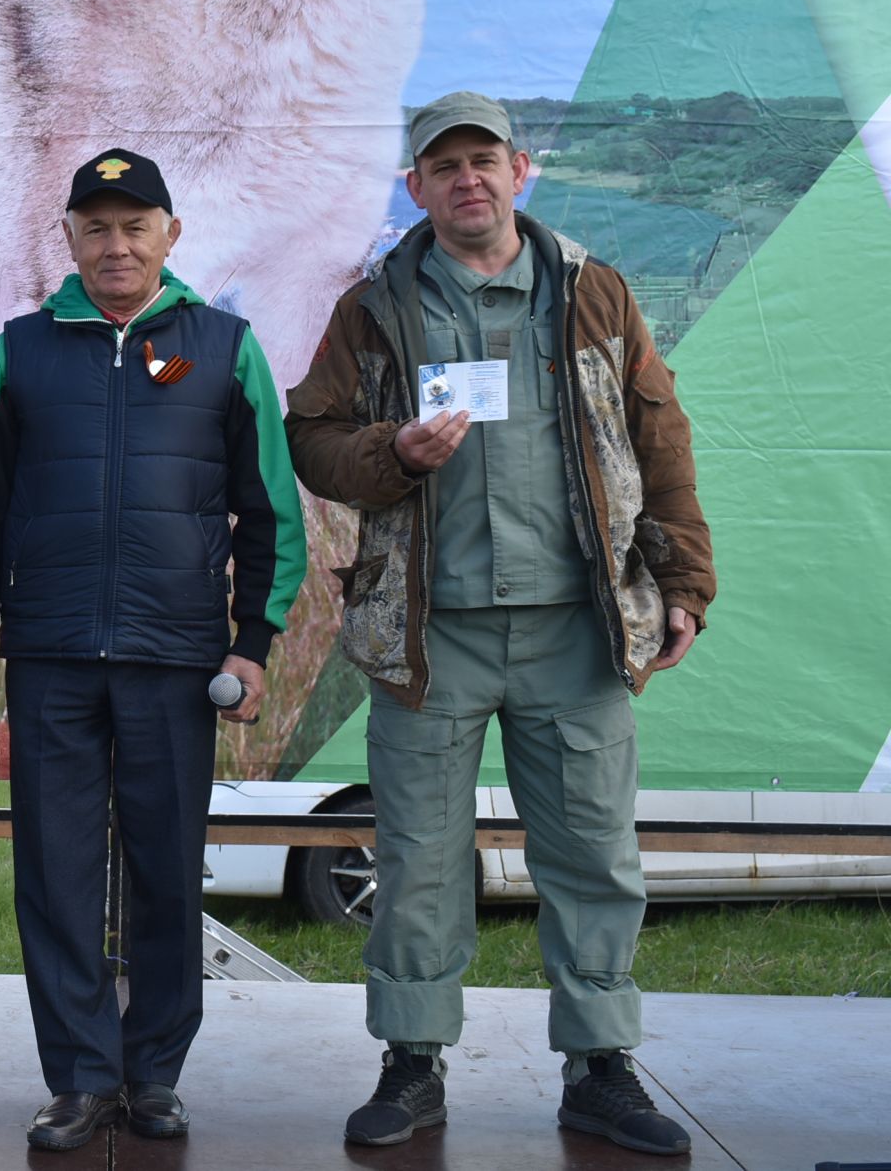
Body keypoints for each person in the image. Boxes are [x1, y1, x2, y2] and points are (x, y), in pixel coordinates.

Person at [285, 92, 714, 1156]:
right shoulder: (374, 306)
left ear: (521, 170)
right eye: (443, 165)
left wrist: (685, 581)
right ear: (415, 185)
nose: (465, 179)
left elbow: (659, 432)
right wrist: (395, 452)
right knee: (419, 856)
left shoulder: (593, 292)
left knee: (593, 857)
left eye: (483, 160)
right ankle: (413, 1063)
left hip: (578, 627)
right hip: (431, 634)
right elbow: (312, 435)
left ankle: (603, 1068)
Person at [0, 149, 307, 1151]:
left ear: (170, 236)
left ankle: (153, 1074)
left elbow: (270, 508)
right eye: (96, 226)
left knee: (163, 869)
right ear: (68, 238)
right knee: (56, 872)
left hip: (176, 659)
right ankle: (77, 1075)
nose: (116, 244)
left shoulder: (225, 345)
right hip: (54, 654)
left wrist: (252, 642)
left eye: (135, 225)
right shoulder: (24, 349)